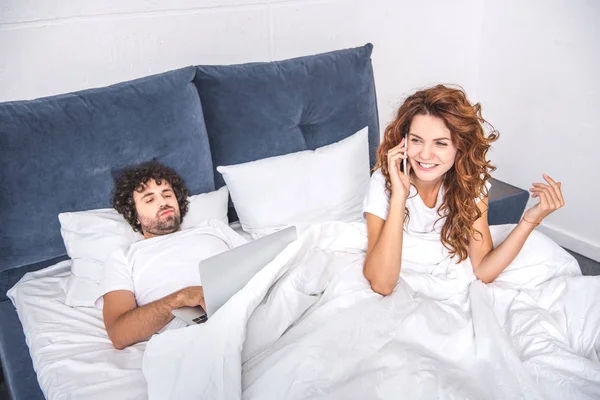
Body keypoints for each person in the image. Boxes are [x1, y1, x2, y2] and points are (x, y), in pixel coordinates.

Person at [363, 85, 565, 295]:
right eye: (416, 140)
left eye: (440, 143)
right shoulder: (384, 181)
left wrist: (530, 219)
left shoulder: (471, 182)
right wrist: (399, 195)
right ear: (403, 141)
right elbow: (382, 285)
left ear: (460, 147)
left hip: (446, 279)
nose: (425, 154)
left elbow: (484, 271)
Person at [100, 161, 246, 349]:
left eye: (167, 194)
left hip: (250, 302)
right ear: (134, 214)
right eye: (150, 199)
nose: (163, 202)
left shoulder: (213, 228)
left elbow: (263, 261)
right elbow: (119, 333)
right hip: (197, 330)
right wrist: (183, 297)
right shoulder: (123, 258)